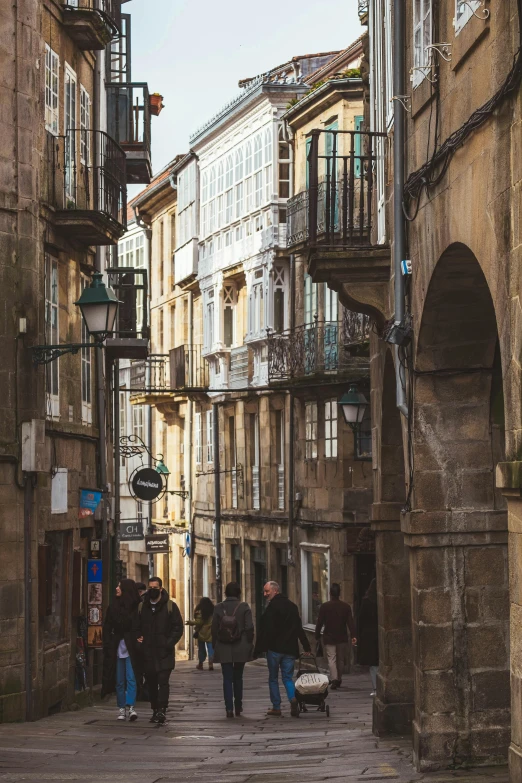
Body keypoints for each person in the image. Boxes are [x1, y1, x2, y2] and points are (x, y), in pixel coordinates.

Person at [254, 581, 311, 718]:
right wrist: (306, 645)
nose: (265, 594)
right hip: (290, 649)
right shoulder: (292, 607)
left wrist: (259, 648)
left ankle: (277, 707)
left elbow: (265, 630)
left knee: (273, 678)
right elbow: (298, 627)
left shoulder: (271, 608)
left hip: (274, 649)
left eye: (267, 591)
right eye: (264, 591)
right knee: (287, 678)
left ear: (275, 591)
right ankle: (292, 698)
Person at [136, 576, 184, 724]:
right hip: (148, 652)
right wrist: (139, 639)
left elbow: (178, 627)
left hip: (164, 653)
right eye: (150, 588)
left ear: (161, 589)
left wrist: (168, 643)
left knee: (163, 682)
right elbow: (136, 626)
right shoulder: (142, 607)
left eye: (155, 588)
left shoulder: (170, 606)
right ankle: (155, 709)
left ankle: (162, 710)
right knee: (151, 683)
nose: (152, 590)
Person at [212, 582, 254, 718]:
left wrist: (215, 645)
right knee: (238, 677)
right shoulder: (244, 607)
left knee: (227, 678)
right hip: (240, 646)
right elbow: (249, 627)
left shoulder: (218, 607)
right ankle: (238, 706)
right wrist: (249, 643)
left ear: (225, 593)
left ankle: (228, 708)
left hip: (223, 646)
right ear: (238, 593)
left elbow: (214, 628)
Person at [101, 579, 142, 721]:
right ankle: (121, 707)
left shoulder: (136, 608)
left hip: (131, 647)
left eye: (119, 586)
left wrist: (140, 638)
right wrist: (108, 642)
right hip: (117, 647)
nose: (117, 588)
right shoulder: (113, 607)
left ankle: (131, 706)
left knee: (131, 677)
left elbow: (141, 626)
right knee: (119, 679)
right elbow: (107, 627)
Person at [315, 582, 357, 690]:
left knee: (331, 658)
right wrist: (353, 635)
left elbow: (319, 622)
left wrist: (317, 634)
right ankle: (338, 678)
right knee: (340, 660)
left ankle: (334, 679)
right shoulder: (346, 607)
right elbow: (350, 622)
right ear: (339, 593)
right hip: (342, 636)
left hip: (329, 636)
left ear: (330, 593)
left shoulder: (325, 607)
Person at [357, 578, 379, 696]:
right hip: (378, 634)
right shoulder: (380, 601)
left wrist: (359, 635)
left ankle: (375, 688)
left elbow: (361, 619)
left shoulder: (366, 601)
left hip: (369, 636)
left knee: (373, 664)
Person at [187, 597, 215, 671]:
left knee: (201, 649)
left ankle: (200, 664)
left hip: (201, 633)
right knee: (210, 648)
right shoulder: (213, 611)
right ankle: (211, 663)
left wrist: (191, 622)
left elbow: (199, 622)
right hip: (210, 633)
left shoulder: (199, 611)